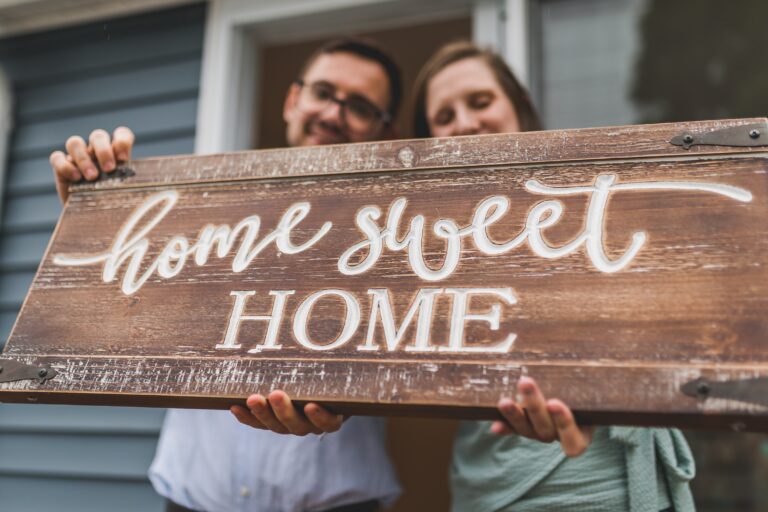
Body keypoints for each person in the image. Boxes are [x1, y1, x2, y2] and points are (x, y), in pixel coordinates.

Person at [49, 38, 403, 512]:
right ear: (292, 100)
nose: (333, 114)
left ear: (386, 129)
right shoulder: (200, 211)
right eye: (323, 92)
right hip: (190, 498)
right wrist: (93, 218)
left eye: (359, 106)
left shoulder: (405, 230)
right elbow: (119, 304)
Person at [411, 41, 696, 512]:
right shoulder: (417, 244)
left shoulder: (596, 199)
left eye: (480, 101)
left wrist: (602, 395)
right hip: (490, 484)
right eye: (444, 116)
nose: (464, 122)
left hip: (608, 479)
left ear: (519, 106)